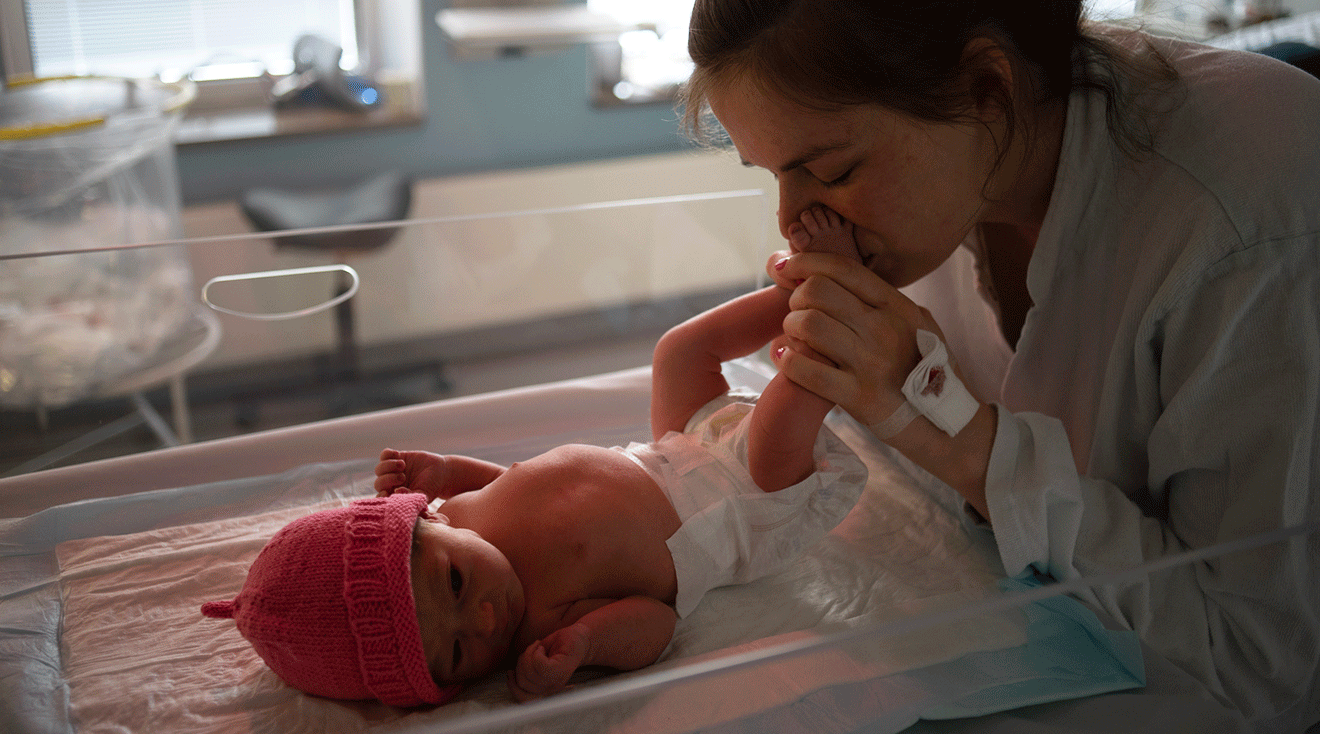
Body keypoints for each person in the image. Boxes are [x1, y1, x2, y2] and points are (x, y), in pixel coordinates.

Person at [678, 1, 1320, 731]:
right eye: (773, 177)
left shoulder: (1250, 224)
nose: (791, 223)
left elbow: (1262, 664)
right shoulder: (951, 172)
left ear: (989, 87)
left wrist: (953, 435)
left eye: (832, 170)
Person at [200, 209, 868, 705]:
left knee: (677, 353)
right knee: (780, 427)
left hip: (672, 448)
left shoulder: (463, 509)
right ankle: (838, 312)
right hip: (742, 509)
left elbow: (514, 485)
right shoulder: (537, 626)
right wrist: (587, 647)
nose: (484, 618)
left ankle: (795, 293)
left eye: (456, 585)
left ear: (425, 522)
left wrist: (445, 468)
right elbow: (657, 622)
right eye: (459, 652)